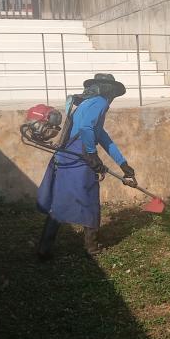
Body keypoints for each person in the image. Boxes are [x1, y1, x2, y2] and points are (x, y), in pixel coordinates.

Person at [36, 73, 137, 258]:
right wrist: (91, 154)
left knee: (61, 202)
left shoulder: (86, 103)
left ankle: (44, 248)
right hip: (78, 158)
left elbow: (103, 137)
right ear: (108, 90)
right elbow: (85, 129)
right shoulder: (100, 102)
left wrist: (123, 164)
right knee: (89, 199)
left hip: (65, 158)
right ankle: (91, 247)